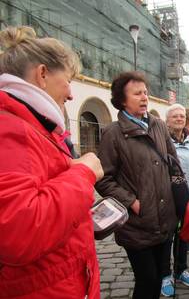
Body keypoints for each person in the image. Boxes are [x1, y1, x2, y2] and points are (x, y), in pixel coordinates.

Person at [0, 26, 104, 298]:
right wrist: (82, 173)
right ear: (42, 74)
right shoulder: (12, 127)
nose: (71, 94)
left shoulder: (32, 124)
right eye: (68, 80)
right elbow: (20, 230)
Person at [95, 71, 177, 299]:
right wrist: (132, 202)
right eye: (137, 93)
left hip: (164, 217)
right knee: (147, 281)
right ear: (122, 99)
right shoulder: (113, 133)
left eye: (146, 93)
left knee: (159, 278)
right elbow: (103, 178)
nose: (144, 97)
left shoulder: (158, 125)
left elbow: (173, 163)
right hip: (137, 223)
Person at [160, 103, 189, 297]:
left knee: (184, 235)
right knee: (167, 238)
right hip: (169, 199)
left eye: (181, 116)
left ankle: (181, 270)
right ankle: (165, 275)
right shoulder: (161, 142)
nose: (179, 119)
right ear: (167, 120)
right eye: (174, 116)